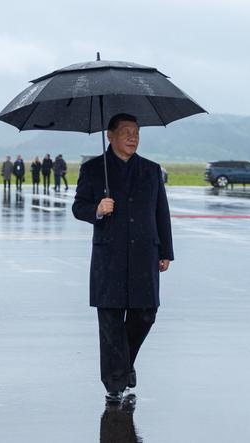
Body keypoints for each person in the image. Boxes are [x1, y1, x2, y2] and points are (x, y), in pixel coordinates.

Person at [72, 113, 173, 404]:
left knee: (145, 313)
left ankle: (124, 365)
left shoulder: (151, 170)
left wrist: (165, 250)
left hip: (145, 252)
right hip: (110, 255)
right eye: (127, 132)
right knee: (111, 320)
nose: (133, 137)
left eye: (137, 132)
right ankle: (115, 382)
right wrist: (98, 209)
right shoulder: (93, 170)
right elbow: (78, 207)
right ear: (110, 135)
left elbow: (160, 212)